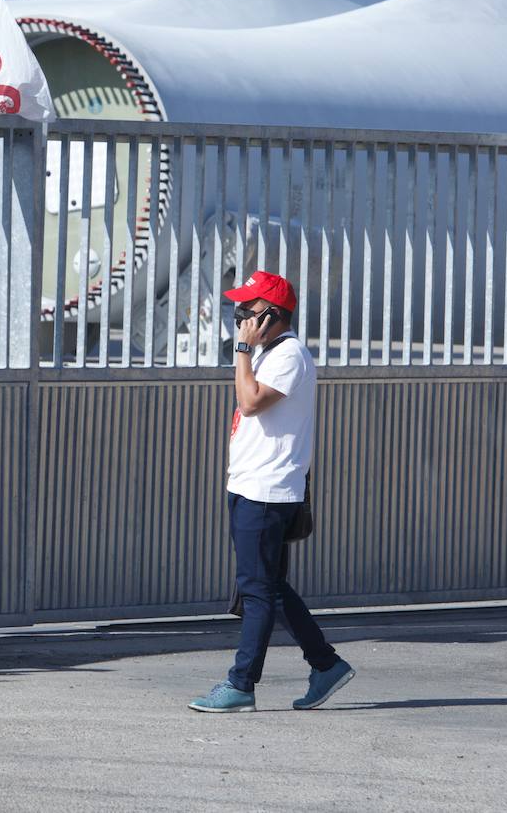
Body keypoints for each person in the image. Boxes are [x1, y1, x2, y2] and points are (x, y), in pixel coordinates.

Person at [188, 270, 354, 713]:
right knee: (271, 587)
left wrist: (242, 350)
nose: (241, 316)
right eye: (239, 308)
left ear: (273, 315)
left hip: (267, 491)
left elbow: (249, 402)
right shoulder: (271, 352)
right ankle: (326, 665)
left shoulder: (289, 355)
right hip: (251, 485)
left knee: (257, 591)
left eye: (249, 309)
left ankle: (241, 684)